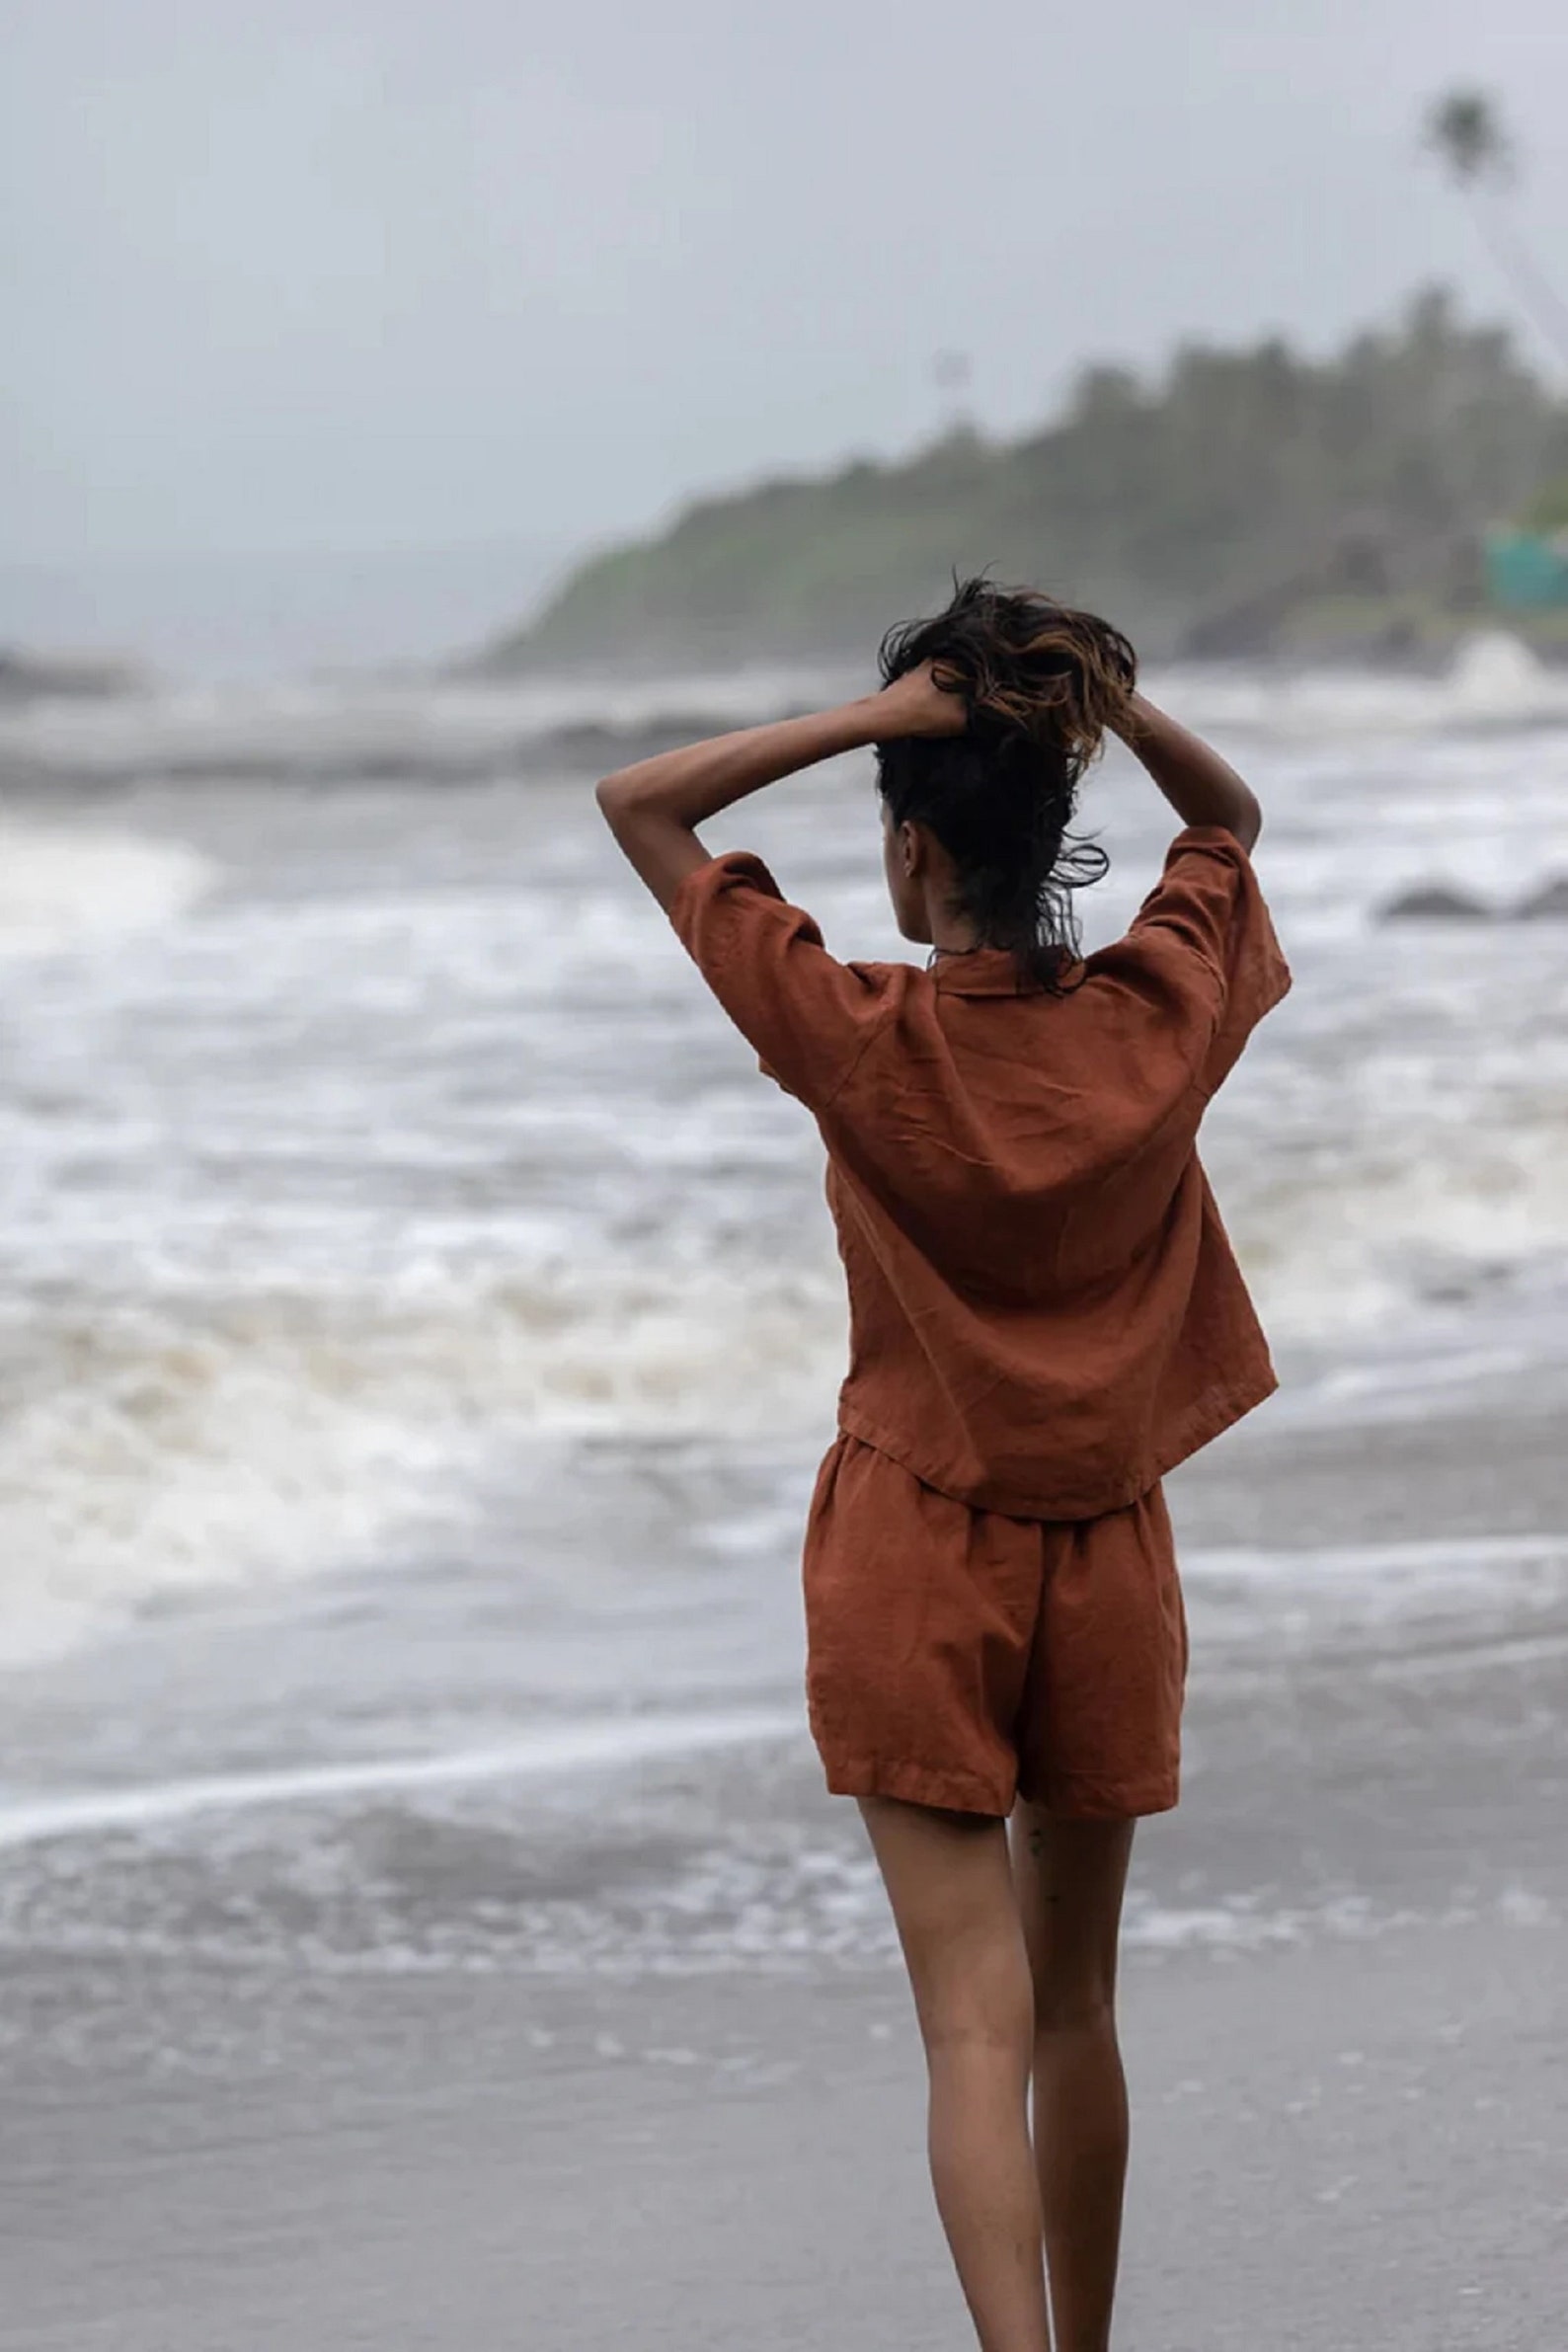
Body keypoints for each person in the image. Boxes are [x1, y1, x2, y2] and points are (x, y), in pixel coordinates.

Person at [595, 578, 1290, 2352]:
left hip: (915, 1542)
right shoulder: (1155, 1016)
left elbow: (642, 804)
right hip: (1108, 1555)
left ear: (912, 855)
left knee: (972, 2023)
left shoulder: (865, 1033)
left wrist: (882, 719)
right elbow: (1226, 821)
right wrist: (1101, 707)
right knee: (1076, 2009)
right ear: (1054, 833)